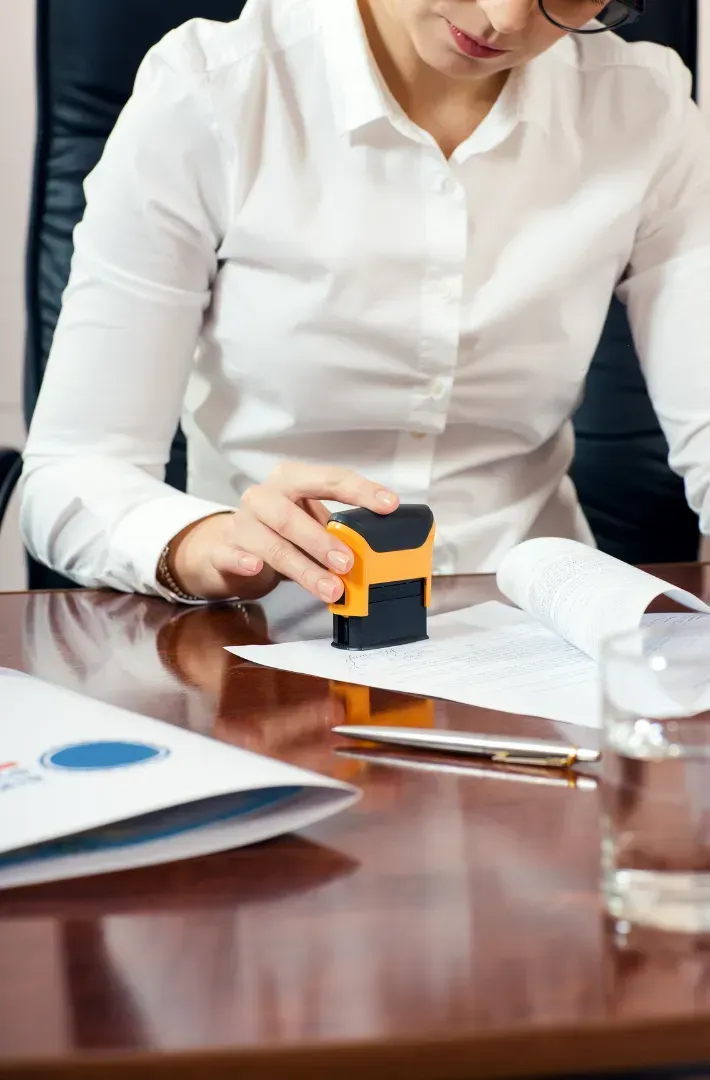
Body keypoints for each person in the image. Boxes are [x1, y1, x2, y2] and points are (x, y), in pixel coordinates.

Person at [19, 0, 710, 606]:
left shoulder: (644, 108)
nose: (504, 18)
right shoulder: (211, 92)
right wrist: (207, 544)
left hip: (529, 622)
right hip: (264, 629)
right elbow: (73, 472)